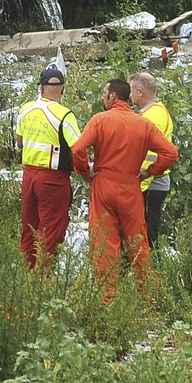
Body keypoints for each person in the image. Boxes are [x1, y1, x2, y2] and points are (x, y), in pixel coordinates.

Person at [72, 79, 178, 303]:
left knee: (104, 240)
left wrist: (85, 173)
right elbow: (170, 153)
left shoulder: (100, 120)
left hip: (103, 185)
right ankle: (147, 296)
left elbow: (78, 150)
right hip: (131, 187)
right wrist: (150, 171)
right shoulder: (143, 124)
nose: (102, 96)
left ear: (112, 96)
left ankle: (107, 298)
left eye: (103, 92)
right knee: (138, 242)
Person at [16, 65, 81, 270]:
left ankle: (27, 271)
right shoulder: (64, 114)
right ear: (62, 89)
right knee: (51, 229)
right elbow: (78, 148)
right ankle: (43, 279)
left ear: (41, 87)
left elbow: (19, 141)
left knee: (29, 227)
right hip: (53, 179)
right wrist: (85, 173)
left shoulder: (25, 109)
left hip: (28, 176)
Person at [128, 72, 174, 248]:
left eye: (131, 90)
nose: (130, 95)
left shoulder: (152, 116)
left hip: (150, 182)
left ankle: (150, 270)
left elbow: (152, 155)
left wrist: (140, 180)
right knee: (145, 231)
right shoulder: (152, 112)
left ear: (140, 92)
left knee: (147, 233)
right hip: (151, 180)